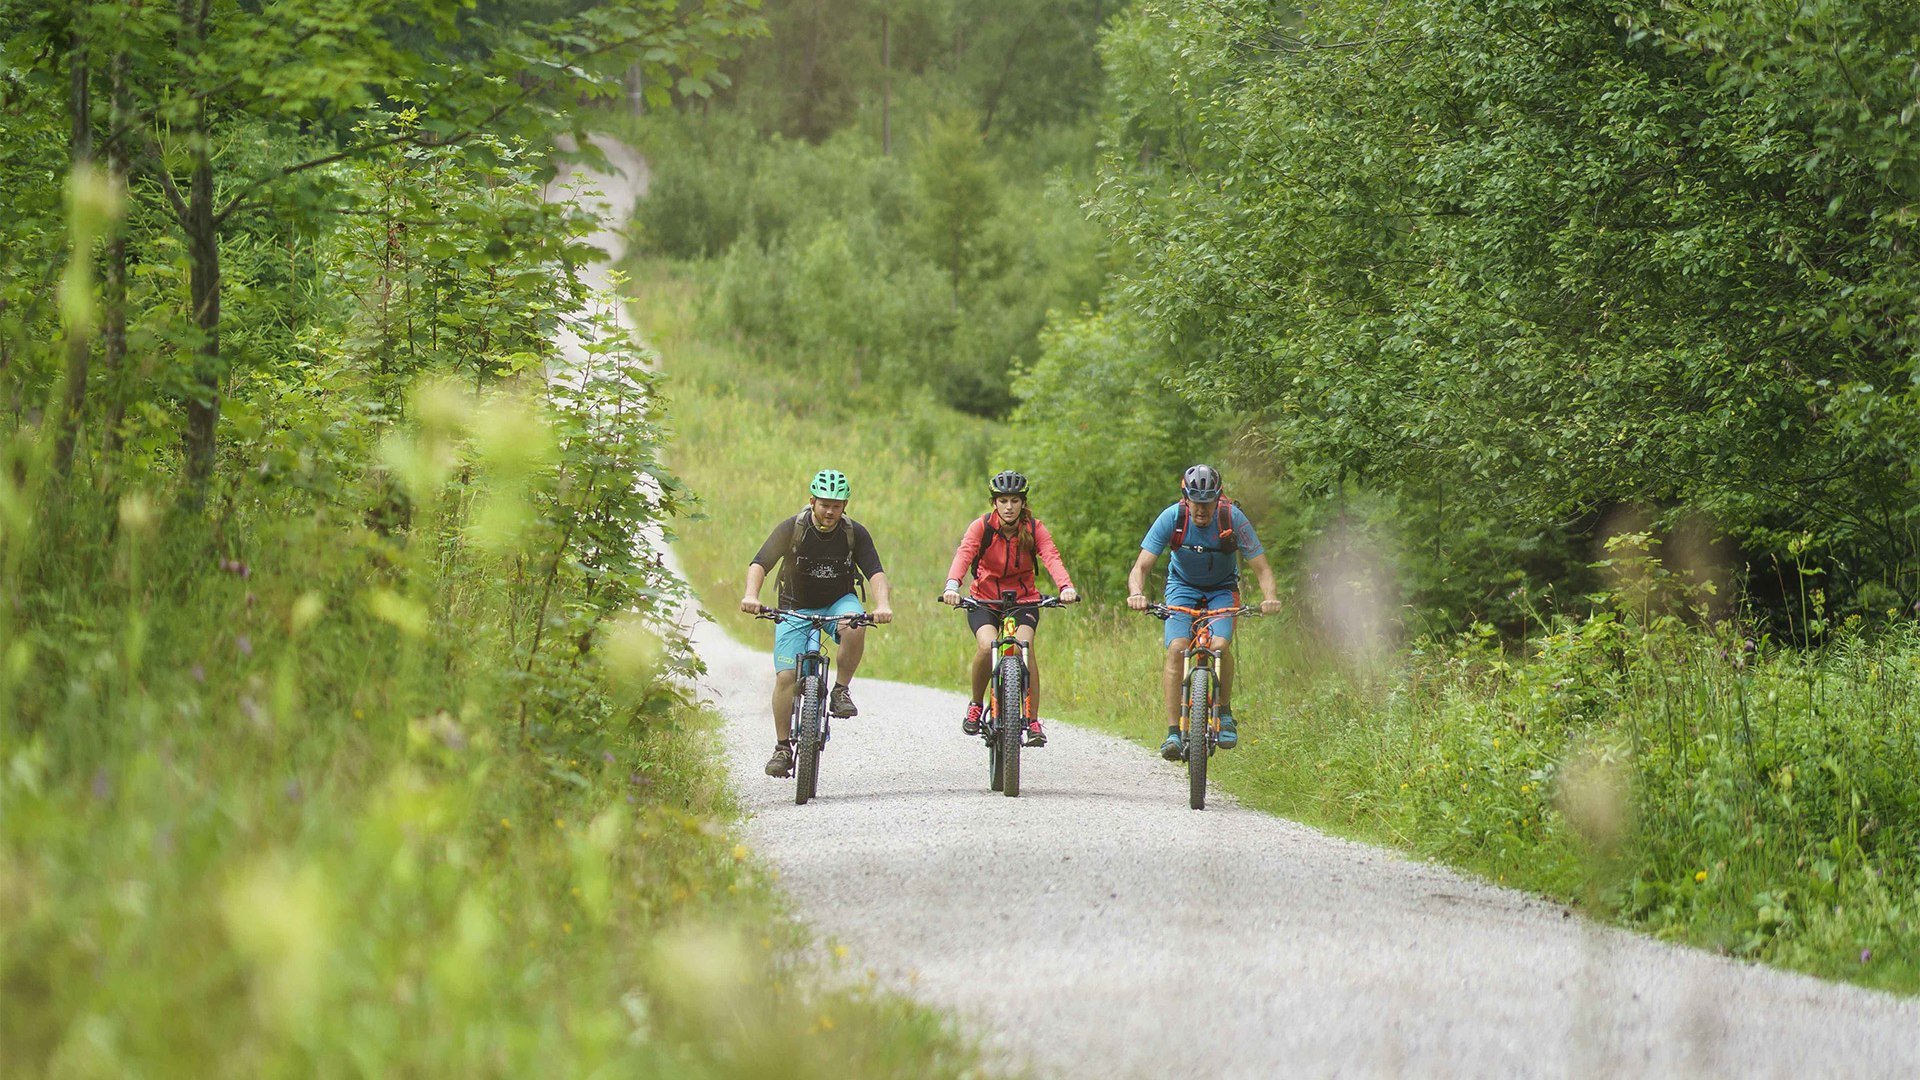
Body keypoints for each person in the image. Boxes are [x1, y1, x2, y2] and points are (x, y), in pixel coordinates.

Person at [739, 469, 893, 778]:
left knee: (855, 624)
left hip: (838, 602)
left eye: (837, 505)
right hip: (794, 606)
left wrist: (883, 605)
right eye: (824, 504)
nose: (830, 511)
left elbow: (875, 571)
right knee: (785, 677)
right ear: (812, 501)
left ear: (845, 505)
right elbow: (760, 563)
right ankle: (782, 748)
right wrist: (750, 595)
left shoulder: (854, 533)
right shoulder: (792, 529)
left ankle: (840, 691)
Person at [1124, 464, 1282, 759]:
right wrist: (1137, 593)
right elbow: (1141, 567)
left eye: (1207, 503)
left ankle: (1223, 713)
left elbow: (1262, 568)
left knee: (1220, 647)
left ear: (1217, 499)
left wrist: (1270, 597)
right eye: (1196, 502)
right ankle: (1173, 732)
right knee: (1177, 649)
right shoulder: (1172, 518)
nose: (1201, 510)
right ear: (1186, 499)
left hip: (1223, 588)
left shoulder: (1231, 518)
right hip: (1181, 588)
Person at [940, 471, 1079, 746]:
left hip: (1023, 601)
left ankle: (1033, 718)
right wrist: (952, 586)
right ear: (994, 502)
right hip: (984, 601)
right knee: (987, 646)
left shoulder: (1034, 528)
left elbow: (1051, 556)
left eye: (1015, 500)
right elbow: (964, 553)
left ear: (1022, 503)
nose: (1009, 506)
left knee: (1024, 647)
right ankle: (976, 704)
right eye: (1003, 500)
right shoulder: (981, 527)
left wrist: (1066, 587)